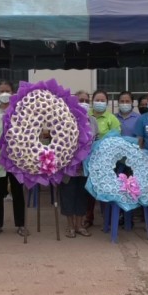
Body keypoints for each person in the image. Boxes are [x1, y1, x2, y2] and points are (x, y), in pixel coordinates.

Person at [0, 80, 28, 237]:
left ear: (13, 94)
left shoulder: (19, 111)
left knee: (18, 191)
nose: (4, 94)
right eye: (1, 91)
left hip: (16, 158)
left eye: (7, 91)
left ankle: (21, 224)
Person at [59, 94, 98, 238]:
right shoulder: (66, 118)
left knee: (82, 196)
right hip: (68, 166)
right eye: (81, 100)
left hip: (86, 166)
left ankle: (80, 225)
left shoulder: (93, 121)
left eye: (87, 101)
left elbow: (97, 139)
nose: (84, 103)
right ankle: (70, 226)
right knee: (68, 195)